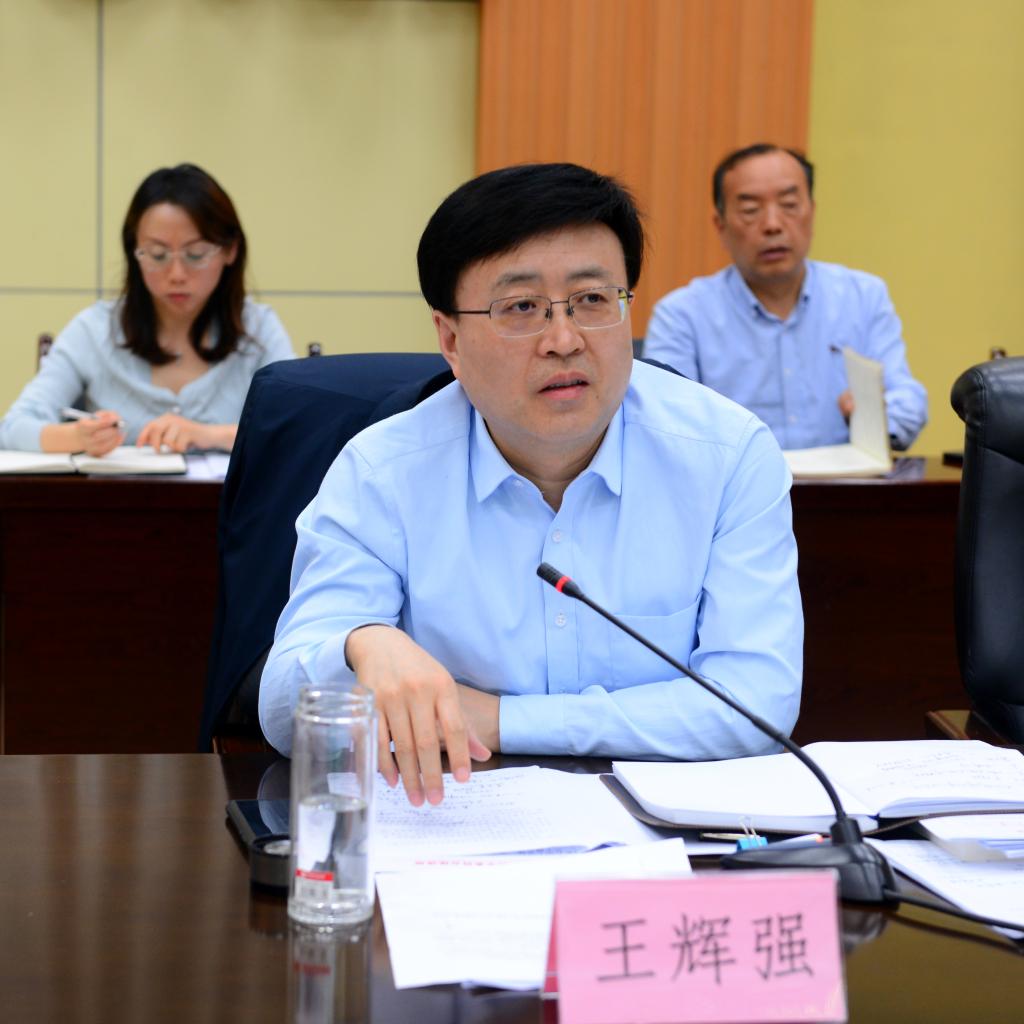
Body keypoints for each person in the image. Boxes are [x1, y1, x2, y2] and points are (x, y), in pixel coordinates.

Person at [259, 162, 802, 806]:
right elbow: (283, 712)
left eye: (593, 300)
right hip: (451, 826)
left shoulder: (728, 456)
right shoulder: (382, 471)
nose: (564, 341)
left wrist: (497, 719)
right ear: (450, 339)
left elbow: (756, 706)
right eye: (521, 308)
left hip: (664, 838)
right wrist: (361, 643)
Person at [644, 144, 927, 451]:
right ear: (721, 226)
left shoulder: (863, 297)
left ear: (812, 212)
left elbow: (907, 402)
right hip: (733, 480)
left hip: (843, 480)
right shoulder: (681, 315)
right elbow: (665, 422)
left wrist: (873, 415)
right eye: (750, 210)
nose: (773, 225)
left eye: (789, 205)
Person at [0, 163, 294, 454]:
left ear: (230, 250)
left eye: (195, 254)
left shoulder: (258, 329)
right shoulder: (94, 330)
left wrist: (209, 435)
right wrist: (78, 437)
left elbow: (298, 430)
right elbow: (12, 428)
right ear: (134, 253)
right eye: (157, 254)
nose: (177, 274)